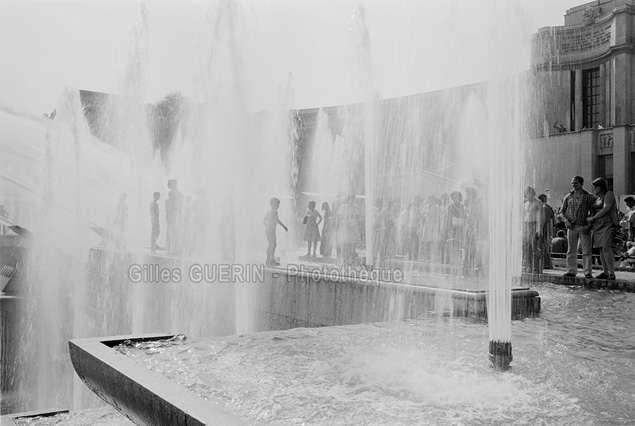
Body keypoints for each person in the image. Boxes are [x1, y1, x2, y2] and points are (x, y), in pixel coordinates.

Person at [559, 176, 595, 278]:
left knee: (586, 251)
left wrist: (589, 225)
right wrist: (565, 220)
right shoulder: (568, 196)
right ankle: (571, 270)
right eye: (572, 183)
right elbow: (561, 211)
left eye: (576, 183)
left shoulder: (589, 197)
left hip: (584, 226)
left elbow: (593, 212)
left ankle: (587, 272)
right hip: (571, 226)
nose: (573, 185)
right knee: (571, 250)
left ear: (581, 183)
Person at [586, 177, 618, 280]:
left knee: (606, 247)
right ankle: (605, 271)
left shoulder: (608, 195)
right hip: (597, 226)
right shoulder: (597, 198)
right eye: (593, 187)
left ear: (601, 186)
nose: (594, 189)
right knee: (600, 248)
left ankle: (611, 272)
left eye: (596, 187)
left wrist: (593, 217)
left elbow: (606, 208)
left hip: (607, 224)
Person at [523, 186, 543, 274]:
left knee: (534, 247)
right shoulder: (525, 204)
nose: (528, 195)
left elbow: (541, 216)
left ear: (533, 193)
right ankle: (529, 266)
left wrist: (539, 228)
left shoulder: (538, 202)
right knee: (527, 247)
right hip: (527, 224)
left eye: (530, 193)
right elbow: (523, 216)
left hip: (535, 224)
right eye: (527, 193)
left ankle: (537, 267)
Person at [263, 197, 288, 266]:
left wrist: (267, 226)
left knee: (271, 244)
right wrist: (284, 226)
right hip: (271, 231)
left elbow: (264, 221)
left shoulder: (269, 211)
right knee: (273, 244)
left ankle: (268, 259)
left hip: (268, 230)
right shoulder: (275, 212)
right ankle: (271, 260)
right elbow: (277, 220)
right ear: (274, 204)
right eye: (277, 204)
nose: (278, 206)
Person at [165, 179, 184, 255]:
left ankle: (173, 249)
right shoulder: (179, 194)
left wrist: (169, 214)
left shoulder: (172, 193)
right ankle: (176, 248)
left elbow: (172, 206)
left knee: (172, 232)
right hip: (177, 215)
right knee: (176, 232)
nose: (168, 186)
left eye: (169, 184)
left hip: (173, 215)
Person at [538, 194, 555, 269]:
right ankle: (546, 264)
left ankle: (546, 264)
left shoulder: (544, 208)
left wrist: (540, 229)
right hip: (546, 230)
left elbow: (544, 220)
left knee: (544, 247)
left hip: (544, 231)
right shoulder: (547, 207)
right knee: (544, 247)